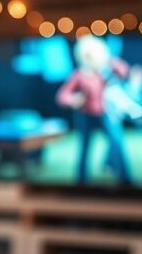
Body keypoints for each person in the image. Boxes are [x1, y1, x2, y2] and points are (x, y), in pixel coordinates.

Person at [56, 35, 134, 185]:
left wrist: (108, 61)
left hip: (107, 113)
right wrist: (73, 100)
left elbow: (124, 71)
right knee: (84, 148)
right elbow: (62, 95)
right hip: (85, 116)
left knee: (117, 143)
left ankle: (126, 179)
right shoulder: (80, 74)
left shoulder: (107, 68)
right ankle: (81, 181)